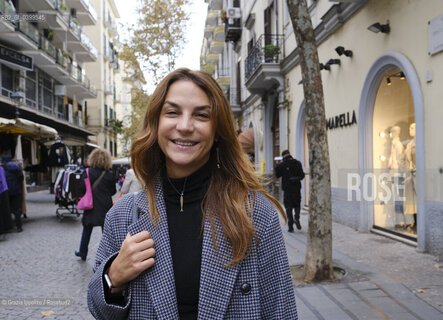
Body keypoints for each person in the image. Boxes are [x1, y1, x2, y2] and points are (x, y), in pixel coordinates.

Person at [87, 68, 297, 319]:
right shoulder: (122, 216)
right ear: (156, 123)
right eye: (172, 112)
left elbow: (281, 311)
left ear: (217, 131)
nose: (185, 126)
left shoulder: (255, 213)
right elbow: (99, 310)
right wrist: (114, 277)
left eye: (201, 115)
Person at [75, 149, 116, 261]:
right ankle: (107, 255)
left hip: (91, 205)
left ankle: (82, 252)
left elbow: (82, 189)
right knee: (106, 232)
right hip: (105, 206)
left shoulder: (87, 172)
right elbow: (113, 191)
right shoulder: (110, 174)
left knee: (87, 230)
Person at [275, 149, 305, 233]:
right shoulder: (298, 163)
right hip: (296, 188)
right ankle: (297, 218)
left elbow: (277, 175)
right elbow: (302, 176)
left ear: (283, 156)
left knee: (288, 207)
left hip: (287, 189)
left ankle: (290, 226)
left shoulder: (282, 165)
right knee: (297, 204)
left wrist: (277, 166)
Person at [4, 159, 24, 232]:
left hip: (7, 192)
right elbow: (21, 179)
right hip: (17, 191)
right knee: (17, 210)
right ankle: (19, 226)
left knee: (8, 209)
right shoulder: (18, 169)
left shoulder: (4, 169)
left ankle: (9, 227)